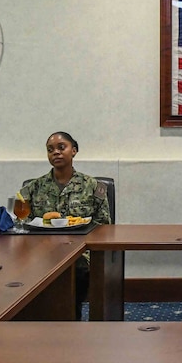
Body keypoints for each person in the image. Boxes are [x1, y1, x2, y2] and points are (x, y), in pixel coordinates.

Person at [19, 131, 111, 319]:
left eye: (62, 147)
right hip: (42, 250)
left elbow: (104, 226)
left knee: (74, 269)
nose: (56, 153)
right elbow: (21, 223)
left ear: (74, 151)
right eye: (50, 150)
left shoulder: (92, 186)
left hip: (80, 251)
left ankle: (71, 319)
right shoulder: (33, 188)